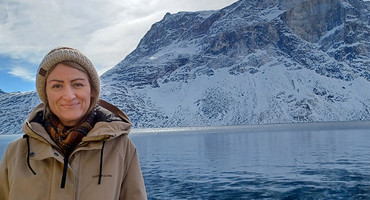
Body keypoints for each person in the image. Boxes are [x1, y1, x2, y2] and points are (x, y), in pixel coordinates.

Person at [0, 47, 147, 200]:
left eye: (77, 84)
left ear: (92, 91)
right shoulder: (16, 152)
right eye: (57, 86)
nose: (69, 96)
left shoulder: (121, 148)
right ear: (46, 94)